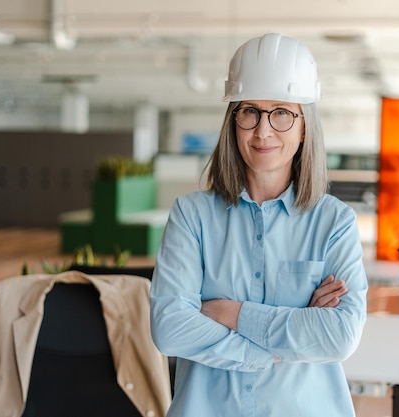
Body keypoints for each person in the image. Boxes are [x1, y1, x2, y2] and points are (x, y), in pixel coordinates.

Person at [150, 32, 368, 417]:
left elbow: (339, 337)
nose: (263, 130)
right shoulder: (191, 216)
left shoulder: (335, 222)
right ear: (233, 122)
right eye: (250, 110)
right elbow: (170, 328)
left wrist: (230, 313)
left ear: (304, 127)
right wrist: (273, 347)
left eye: (282, 112)